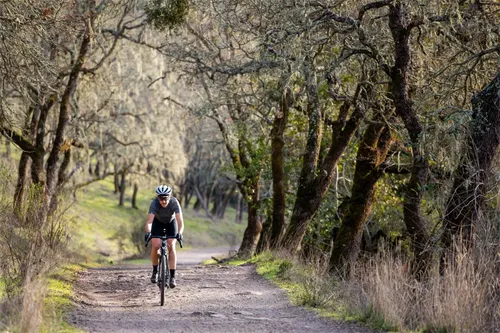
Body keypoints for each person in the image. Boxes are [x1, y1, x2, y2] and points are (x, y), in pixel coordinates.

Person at [144, 185, 184, 288]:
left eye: (165, 198)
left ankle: (172, 277)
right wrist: (148, 232)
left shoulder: (174, 202)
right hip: (158, 223)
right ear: (158, 198)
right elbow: (149, 222)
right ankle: (155, 271)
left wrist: (179, 233)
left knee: (171, 245)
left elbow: (180, 222)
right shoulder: (154, 203)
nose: (163, 201)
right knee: (156, 245)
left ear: (169, 197)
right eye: (161, 199)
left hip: (171, 222)